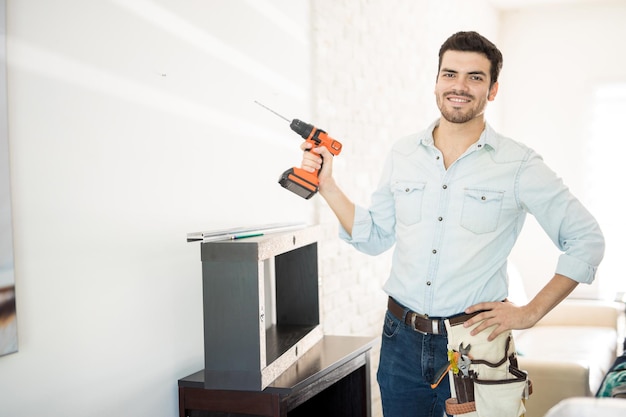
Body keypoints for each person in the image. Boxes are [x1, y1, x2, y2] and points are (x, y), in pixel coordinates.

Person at [299, 31, 605, 417]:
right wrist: (327, 185)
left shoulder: (518, 164)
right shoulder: (403, 153)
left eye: (475, 77)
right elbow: (374, 236)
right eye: (450, 74)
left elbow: (587, 240)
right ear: (437, 81)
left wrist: (529, 313)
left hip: (475, 346)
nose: (459, 86)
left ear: (492, 90)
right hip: (401, 341)